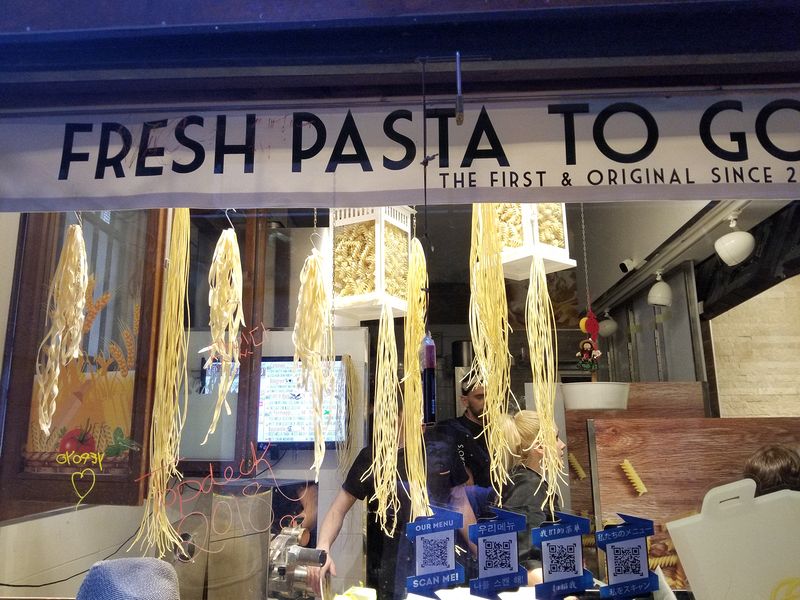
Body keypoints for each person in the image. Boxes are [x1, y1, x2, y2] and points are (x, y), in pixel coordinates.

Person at [309, 413, 477, 599]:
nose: (420, 419)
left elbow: (461, 504)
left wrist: (480, 552)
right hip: (390, 560)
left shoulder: (441, 451)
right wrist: (322, 547)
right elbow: (337, 511)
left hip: (439, 554)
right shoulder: (372, 457)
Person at [494, 410, 566, 587]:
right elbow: (526, 562)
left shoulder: (519, 481)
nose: (562, 445)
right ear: (540, 447)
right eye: (556, 438)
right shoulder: (529, 488)